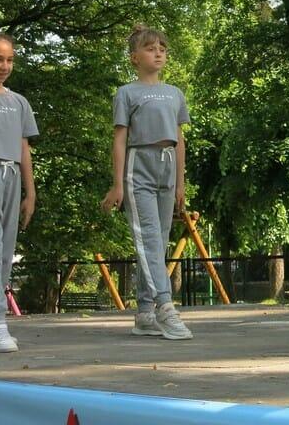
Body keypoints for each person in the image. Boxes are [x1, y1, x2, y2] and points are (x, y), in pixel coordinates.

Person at [102, 25, 193, 340]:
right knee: (150, 238)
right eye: (151, 48)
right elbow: (119, 139)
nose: (158, 54)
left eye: (162, 49)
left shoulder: (174, 93)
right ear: (134, 58)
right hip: (139, 164)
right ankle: (166, 308)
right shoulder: (127, 93)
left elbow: (179, 139)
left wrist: (180, 183)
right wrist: (118, 185)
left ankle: (144, 313)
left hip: (168, 167)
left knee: (159, 240)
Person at [0, 32, 39, 353]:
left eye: (10, 60)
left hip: (11, 176)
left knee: (6, 250)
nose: (4, 66)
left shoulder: (19, 102)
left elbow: (24, 148)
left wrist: (30, 192)